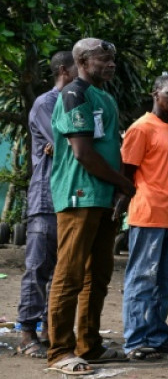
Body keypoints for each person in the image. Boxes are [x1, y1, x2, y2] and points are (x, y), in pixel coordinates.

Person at [47, 38, 135, 374]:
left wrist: (118, 188)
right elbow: (83, 153)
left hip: (104, 197)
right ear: (82, 60)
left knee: (97, 276)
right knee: (69, 275)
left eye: (113, 59)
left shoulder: (106, 97)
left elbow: (111, 146)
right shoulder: (74, 94)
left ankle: (90, 345)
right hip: (79, 195)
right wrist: (123, 183)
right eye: (104, 59)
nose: (112, 64)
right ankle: (59, 352)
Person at [118, 75, 168, 360]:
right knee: (142, 280)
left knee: (166, 282)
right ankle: (134, 341)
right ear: (155, 93)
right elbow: (126, 172)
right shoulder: (142, 128)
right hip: (148, 215)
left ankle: (157, 337)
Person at [17, 51, 76, 359]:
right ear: (64, 70)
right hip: (45, 198)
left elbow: (69, 144)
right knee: (38, 267)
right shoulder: (46, 103)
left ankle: (47, 329)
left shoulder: (72, 103)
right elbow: (70, 141)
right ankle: (26, 333)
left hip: (65, 198)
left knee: (58, 272)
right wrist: (63, 143)